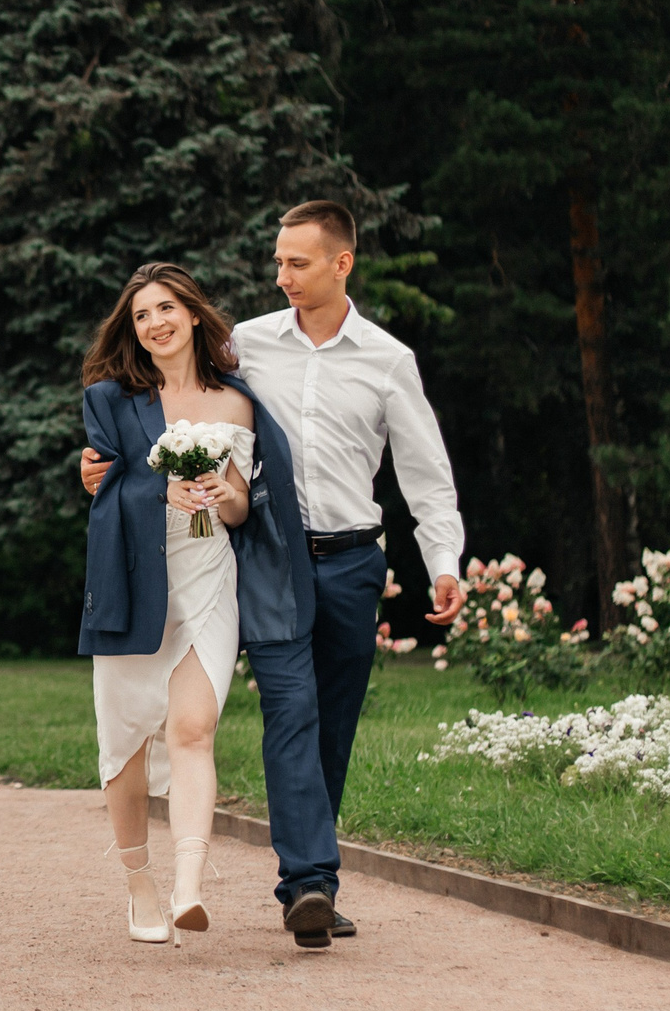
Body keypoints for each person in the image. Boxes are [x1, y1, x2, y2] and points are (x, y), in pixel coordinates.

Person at [82, 202, 464, 947]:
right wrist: (104, 466)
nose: (281, 274)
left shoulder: (388, 359)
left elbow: (426, 474)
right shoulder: (245, 345)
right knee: (289, 704)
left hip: (354, 558)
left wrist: (442, 561)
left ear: (341, 263)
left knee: (333, 720)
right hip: (269, 556)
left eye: (297, 262)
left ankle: (310, 870)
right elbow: (160, 403)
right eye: (279, 261)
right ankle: (310, 884)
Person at [79, 264, 315, 946]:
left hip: (209, 583)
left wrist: (222, 491)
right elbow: (105, 490)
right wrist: (160, 491)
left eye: (165, 308)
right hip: (133, 586)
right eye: (141, 315)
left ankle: (188, 887)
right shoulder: (111, 400)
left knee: (192, 727)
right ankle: (139, 884)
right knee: (123, 753)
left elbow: (242, 506)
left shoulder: (236, 403)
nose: (154, 323)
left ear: (191, 313)